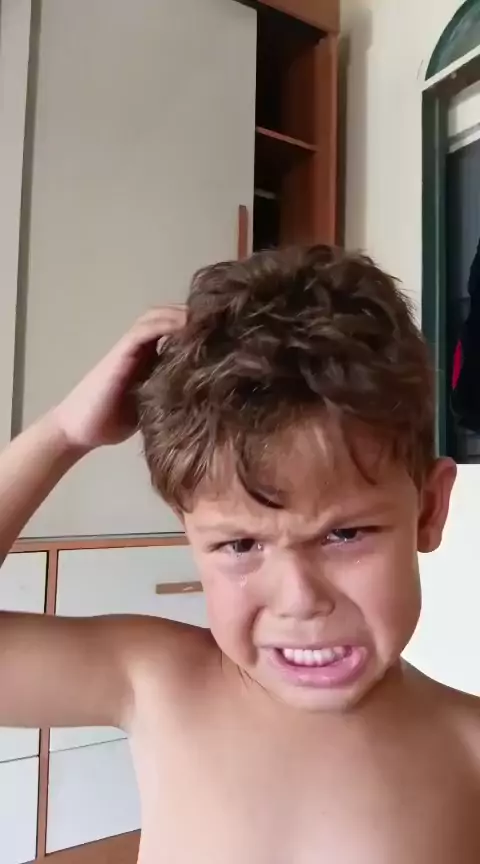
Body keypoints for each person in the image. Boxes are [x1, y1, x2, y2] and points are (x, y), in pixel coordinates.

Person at [0, 245, 478, 863]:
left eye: (344, 535)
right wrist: (62, 433)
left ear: (429, 511)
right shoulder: (159, 683)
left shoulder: (468, 749)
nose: (299, 599)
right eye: (242, 544)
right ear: (190, 537)